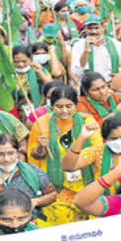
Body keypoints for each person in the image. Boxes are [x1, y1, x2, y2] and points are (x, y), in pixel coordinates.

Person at [27, 86, 103, 225]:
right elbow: (33, 158)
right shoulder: (41, 123)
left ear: (76, 105)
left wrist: (74, 161)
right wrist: (40, 147)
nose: (64, 111)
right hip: (56, 188)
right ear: (52, 105)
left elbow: (97, 151)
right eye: (59, 106)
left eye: (69, 106)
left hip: (85, 184)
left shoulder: (87, 121)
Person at [69, 15, 121, 82]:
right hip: (89, 85)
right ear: (85, 29)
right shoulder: (78, 45)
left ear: (103, 27)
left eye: (96, 28)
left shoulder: (115, 43)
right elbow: (76, 71)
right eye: (90, 28)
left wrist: (119, 74)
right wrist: (86, 52)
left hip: (112, 83)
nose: (93, 31)